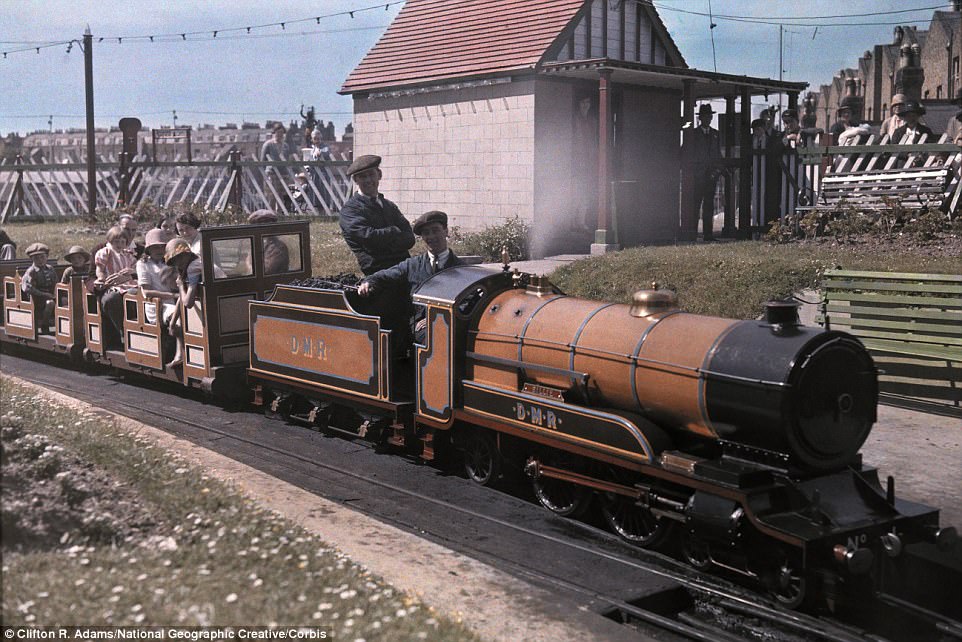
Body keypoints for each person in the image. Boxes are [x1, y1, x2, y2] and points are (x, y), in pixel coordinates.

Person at [358, 210, 462, 345]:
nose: (431, 236)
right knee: (437, 339)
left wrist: (437, 319)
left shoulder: (460, 269)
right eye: (426, 233)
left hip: (452, 323)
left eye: (435, 230)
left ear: (446, 231)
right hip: (420, 327)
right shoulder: (412, 265)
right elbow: (383, 276)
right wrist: (369, 281)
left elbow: (467, 302)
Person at [338, 154, 415, 275]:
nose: (368, 180)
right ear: (355, 180)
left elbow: (410, 239)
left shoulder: (389, 206)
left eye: (371, 175)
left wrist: (384, 241)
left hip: (404, 267)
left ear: (379, 175)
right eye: (363, 177)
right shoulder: (350, 211)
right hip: (378, 273)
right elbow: (369, 239)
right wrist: (394, 231)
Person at [682, 104, 722, 241]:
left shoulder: (716, 134)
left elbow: (718, 155)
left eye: (710, 116)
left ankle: (708, 234)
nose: (708, 119)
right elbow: (685, 153)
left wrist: (717, 171)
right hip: (697, 176)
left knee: (709, 206)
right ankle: (692, 233)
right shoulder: (692, 134)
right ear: (700, 118)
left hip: (711, 176)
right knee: (695, 205)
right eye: (705, 116)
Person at [94, 225, 138, 349]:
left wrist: (131, 272)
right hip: (112, 284)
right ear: (110, 241)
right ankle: (122, 328)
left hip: (127, 283)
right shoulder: (106, 252)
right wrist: (101, 278)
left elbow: (135, 270)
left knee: (135, 295)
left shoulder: (128, 255)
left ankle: (136, 327)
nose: (119, 244)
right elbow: (100, 269)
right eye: (116, 241)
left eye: (122, 242)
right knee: (113, 299)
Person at [163, 237, 203, 369]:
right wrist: (173, 322)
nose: (178, 263)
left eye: (180, 258)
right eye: (174, 261)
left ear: (187, 254)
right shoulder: (189, 265)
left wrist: (180, 286)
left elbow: (188, 302)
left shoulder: (193, 267)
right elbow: (182, 297)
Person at [136, 228, 177, 328]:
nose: (159, 250)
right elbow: (146, 292)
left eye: (162, 247)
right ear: (148, 249)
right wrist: (175, 295)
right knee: (179, 318)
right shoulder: (143, 264)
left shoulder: (170, 262)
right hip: (156, 306)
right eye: (155, 247)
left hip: (175, 303)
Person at [21, 242, 57, 333]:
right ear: (32, 259)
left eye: (42, 257)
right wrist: (44, 294)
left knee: (66, 301)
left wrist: (55, 293)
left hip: (50, 294)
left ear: (47, 257)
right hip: (36, 299)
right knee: (50, 303)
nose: (40, 260)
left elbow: (56, 283)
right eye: (36, 258)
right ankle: (45, 325)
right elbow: (27, 288)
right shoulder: (31, 271)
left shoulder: (50, 269)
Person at [261, 123, 295, 210]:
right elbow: (262, 160)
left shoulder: (285, 146)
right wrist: (265, 174)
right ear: (274, 132)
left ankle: (280, 214)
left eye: (282, 133)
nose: (280, 135)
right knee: (272, 196)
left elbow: (287, 160)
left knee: (281, 195)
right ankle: (270, 214)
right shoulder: (268, 144)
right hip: (271, 173)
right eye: (278, 132)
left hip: (283, 174)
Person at [247, 210, 290, 274]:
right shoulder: (257, 244)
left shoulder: (279, 248)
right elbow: (248, 261)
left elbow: (266, 271)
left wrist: (250, 266)